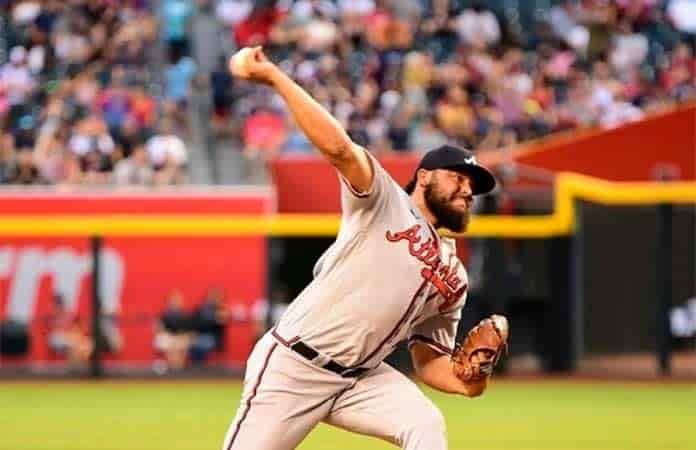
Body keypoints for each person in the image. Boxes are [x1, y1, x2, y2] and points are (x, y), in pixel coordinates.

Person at [222, 47, 509, 450]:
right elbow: (340, 149)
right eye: (458, 177)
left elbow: (430, 361)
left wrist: (473, 378)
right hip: (295, 365)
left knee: (425, 424)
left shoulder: (454, 275)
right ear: (424, 176)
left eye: (473, 187)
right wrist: (273, 77)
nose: (467, 189)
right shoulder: (384, 201)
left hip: (362, 377)